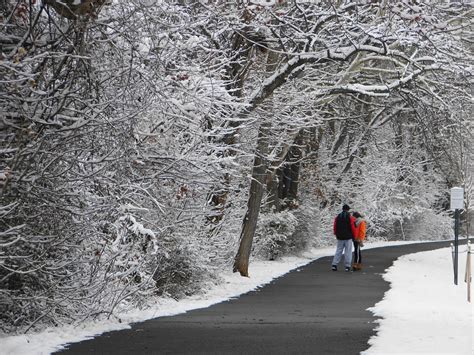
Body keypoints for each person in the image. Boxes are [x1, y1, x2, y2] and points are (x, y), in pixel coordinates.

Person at [331, 204, 357, 272]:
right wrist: (354, 236)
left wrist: (336, 233)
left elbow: (335, 226)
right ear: (348, 209)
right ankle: (347, 266)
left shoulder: (338, 217)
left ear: (342, 209)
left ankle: (334, 264)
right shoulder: (350, 217)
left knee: (338, 250)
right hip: (348, 237)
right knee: (348, 251)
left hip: (340, 236)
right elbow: (353, 228)